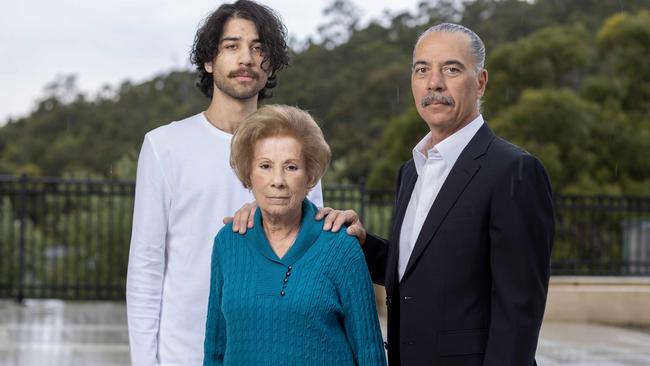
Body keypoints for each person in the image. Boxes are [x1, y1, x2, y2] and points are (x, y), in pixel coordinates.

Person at [327, 23, 555, 365]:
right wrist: (363, 245)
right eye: (422, 70)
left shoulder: (514, 170)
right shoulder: (410, 170)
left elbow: (518, 311)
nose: (434, 83)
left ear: (480, 82)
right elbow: (420, 269)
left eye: (451, 69)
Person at [125, 2, 324, 365]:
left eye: (259, 47)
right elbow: (146, 265)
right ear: (208, 60)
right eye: (232, 46)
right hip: (181, 353)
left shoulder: (298, 146)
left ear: (271, 63)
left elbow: (311, 257)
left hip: (271, 349)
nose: (246, 58)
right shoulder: (164, 146)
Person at [203, 105, 386, 366]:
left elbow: (369, 353)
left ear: (310, 176)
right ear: (248, 175)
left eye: (291, 167)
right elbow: (215, 349)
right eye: (265, 166)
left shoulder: (340, 246)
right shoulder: (228, 243)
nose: (277, 180)